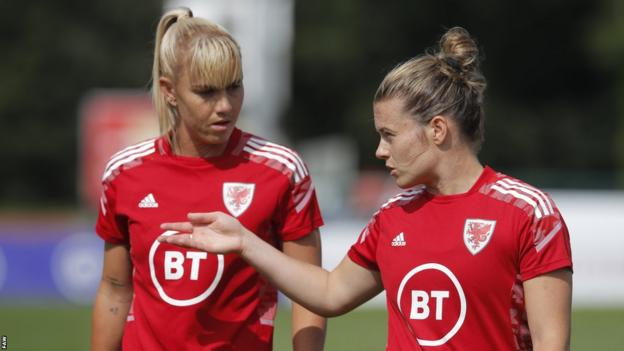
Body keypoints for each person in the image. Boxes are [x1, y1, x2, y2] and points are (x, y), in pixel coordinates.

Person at [159, 27, 573, 351]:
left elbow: (550, 344)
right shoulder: (392, 217)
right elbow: (329, 292)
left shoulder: (530, 214)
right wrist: (245, 243)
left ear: (438, 129)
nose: (379, 150)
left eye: (390, 135)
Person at [91, 7, 326, 351]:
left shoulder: (282, 170)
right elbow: (114, 287)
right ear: (169, 91)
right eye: (206, 92)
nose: (225, 106)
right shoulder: (124, 173)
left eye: (234, 87)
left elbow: (310, 293)